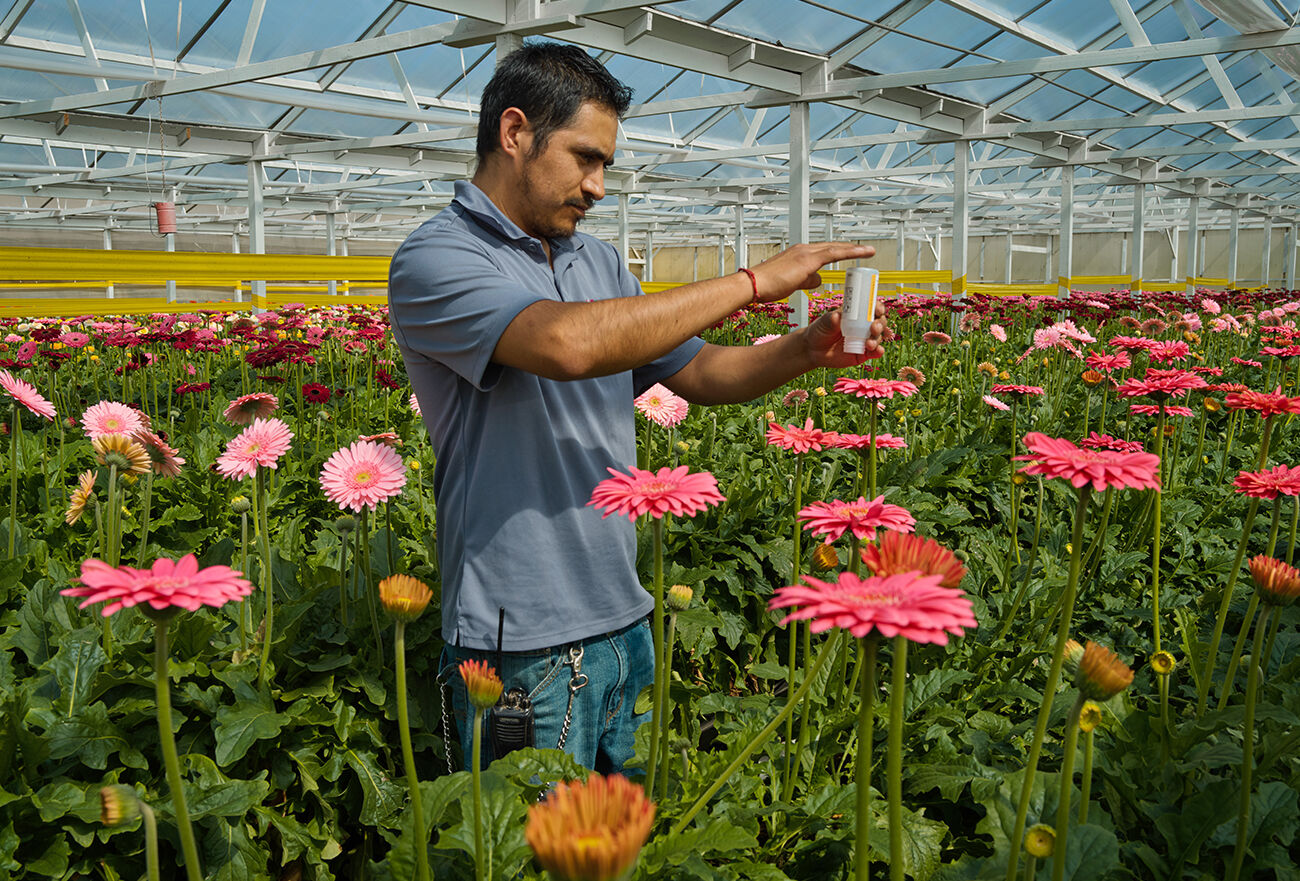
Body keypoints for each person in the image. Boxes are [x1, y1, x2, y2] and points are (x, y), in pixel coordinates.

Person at [387, 42, 886, 774]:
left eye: (606, 166)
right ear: (515, 132)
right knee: (522, 833)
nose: (597, 186)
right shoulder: (435, 258)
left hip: (626, 617)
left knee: (630, 827)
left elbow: (702, 370)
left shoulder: (597, 261)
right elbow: (565, 343)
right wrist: (753, 282)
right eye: (585, 158)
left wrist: (803, 350)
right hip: (517, 639)